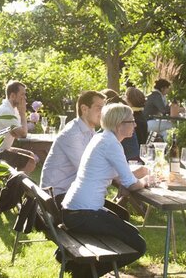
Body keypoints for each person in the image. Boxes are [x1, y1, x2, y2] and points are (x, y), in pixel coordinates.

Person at [61, 103, 150, 278]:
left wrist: (136, 178)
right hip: (82, 214)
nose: (135, 124)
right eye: (131, 121)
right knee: (138, 245)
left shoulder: (102, 138)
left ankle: (83, 269)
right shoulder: (111, 144)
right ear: (119, 124)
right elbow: (131, 184)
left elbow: (121, 176)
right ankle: (85, 273)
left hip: (74, 210)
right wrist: (147, 180)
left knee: (131, 231)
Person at [40, 90, 105, 199]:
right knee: (117, 215)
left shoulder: (90, 131)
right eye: (99, 108)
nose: (103, 113)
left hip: (71, 194)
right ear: (84, 109)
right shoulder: (72, 134)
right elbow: (88, 170)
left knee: (120, 213)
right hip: (57, 197)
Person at [0, 80, 38, 173]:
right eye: (22, 94)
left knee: (31, 155)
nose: (25, 98)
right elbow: (23, 134)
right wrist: (22, 113)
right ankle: (15, 186)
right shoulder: (5, 111)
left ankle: (16, 182)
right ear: (12, 96)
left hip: (3, 150)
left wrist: (20, 116)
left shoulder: (12, 110)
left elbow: (16, 134)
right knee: (30, 162)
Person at [103, 89, 141, 161]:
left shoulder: (107, 138)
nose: (135, 125)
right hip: (132, 160)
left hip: (131, 160)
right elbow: (124, 172)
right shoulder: (110, 141)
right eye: (132, 121)